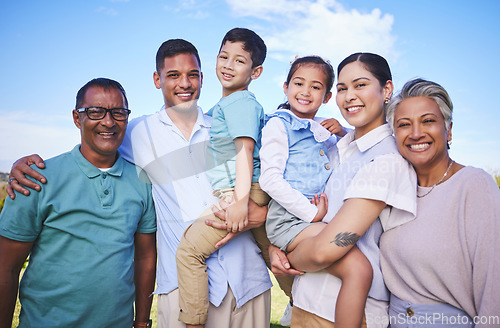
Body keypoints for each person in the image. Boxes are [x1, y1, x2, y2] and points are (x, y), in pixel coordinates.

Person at [6, 39, 272, 328]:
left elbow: (273, 169)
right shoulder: (136, 132)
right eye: (173, 75)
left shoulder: (225, 127)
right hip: (181, 289)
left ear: (202, 78)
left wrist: (263, 214)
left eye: (192, 74)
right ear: (157, 80)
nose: (184, 83)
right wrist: (24, 164)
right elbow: (96, 140)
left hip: (247, 283)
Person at [267, 53, 417, 328]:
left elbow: (327, 250)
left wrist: (286, 257)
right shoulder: (338, 147)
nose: (349, 96)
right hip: (306, 300)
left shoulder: (385, 159)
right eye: (342, 88)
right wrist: (277, 245)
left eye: (360, 85)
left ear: (386, 90)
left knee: (356, 267)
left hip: (342, 313)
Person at [0, 78, 157, 328]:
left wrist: (141, 322)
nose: (108, 121)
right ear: (77, 118)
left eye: (119, 112)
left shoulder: (142, 181)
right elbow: (5, 268)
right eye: (95, 111)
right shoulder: (36, 179)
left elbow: (145, 258)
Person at [174, 27, 289, 328]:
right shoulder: (223, 107)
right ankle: (302, 302)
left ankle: (193, 321)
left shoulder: (240, 102)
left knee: (189, 251)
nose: (228, 65)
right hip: (249, 190)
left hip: (245, 190)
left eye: (240, 60)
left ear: (256, 71)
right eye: (224, 56)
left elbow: (244, 151)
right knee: (274, 253)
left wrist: (239, 203)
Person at [260, 55, 373, 328]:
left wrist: (345, 132)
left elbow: (342, 165)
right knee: (357, 268)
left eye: (315, 87)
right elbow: (269, 179)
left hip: (310, 220)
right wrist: (311, 214)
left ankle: (294, 300)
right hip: (291, 220)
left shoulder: (323, 128)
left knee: (355, 265)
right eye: (299, 83)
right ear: (285, 87)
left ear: (326, 96)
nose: (305, 91)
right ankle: (294, 301)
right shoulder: (280, 124)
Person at [381, 78, 500, 327]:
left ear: (448, 130)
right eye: (404, 124)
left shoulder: (474, 184)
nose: (416, 133)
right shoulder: (391, 190)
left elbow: (494, 285)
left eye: (428, 121)